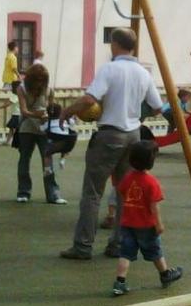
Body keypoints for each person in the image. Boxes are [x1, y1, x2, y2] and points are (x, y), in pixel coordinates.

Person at [59, 28, 163, 260]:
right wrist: (134, 114)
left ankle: (83, 245)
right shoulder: (143, 73)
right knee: (124, 192)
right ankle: (118, 244)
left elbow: (90, 99)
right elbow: (157, 106)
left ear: (115, 45)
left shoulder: (110, 68)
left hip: (109, 134)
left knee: (93, 192)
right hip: (133, 135)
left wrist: (68, 111)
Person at [111, 141, 184, 296]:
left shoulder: (128, 178)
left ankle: (119, 282)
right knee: (155, 251)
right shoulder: (151, 183)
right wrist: (158, 224)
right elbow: (154, 206)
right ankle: (165, 274)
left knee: (125, 254)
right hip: (146, 225)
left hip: (128, 223)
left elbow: (122, 192)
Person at [15, 63, 66, 205]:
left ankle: (53, 194)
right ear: (30, 79)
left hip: (44, 130)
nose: (40, 83)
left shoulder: (49, 90)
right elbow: (24, 111)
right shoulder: (22, 89)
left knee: (47, 161)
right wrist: (36, 115)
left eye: (42, 80)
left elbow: (52, 109)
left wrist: (52, 116)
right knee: (24, 159)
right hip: (26, 128)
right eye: (37, 80)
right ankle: (23, 192)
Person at [43, 102, 78, 171]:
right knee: (66, 147)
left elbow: (42, 129)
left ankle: (47, 169)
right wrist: (73, 118)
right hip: (69, 143)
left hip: (56, 143)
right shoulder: (66, 120)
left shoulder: (48, 123)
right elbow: (73, 123)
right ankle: (62, 159)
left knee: (47, 153)